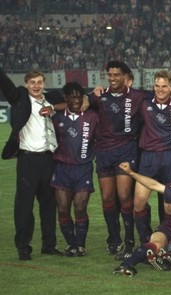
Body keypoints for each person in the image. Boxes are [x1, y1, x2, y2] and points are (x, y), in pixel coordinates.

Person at [1, 67, 64, 260]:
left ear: (44, 84)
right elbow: (5, 83)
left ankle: (49, 245)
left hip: (48, 159)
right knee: (24, 206)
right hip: (28, 160)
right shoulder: (20, 98)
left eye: (39, 82)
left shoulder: (50, 100)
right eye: (32, 82)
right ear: (26, 84)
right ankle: (23, 248)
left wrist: (53, 107)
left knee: (48, 205)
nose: (36, 86)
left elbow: (71, 100)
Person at [89, 61, 150, 256]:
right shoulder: (99, 97)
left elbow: (161, 97)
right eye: (110, 75)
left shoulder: (137, 96)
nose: (113, 78)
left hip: (125, 150)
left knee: (125, 197)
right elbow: (78, 103)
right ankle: (113, 239)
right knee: (107, 198)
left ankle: (129, 240)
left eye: (117, 75)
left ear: (125, 77)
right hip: (104, 152)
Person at [132, 70, 171, 245]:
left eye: (164, 86)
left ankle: (165, 237)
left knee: (170, 206)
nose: (160, 90)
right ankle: (145, 240)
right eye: (157, 86)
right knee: (139, 201)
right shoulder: (144, 104)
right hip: (149, 157)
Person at [50, 82, 99, 257]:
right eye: (73, 96)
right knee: (63, 209)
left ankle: (80, 245)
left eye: (79, 96)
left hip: (83, 169)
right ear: (66, 98)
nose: (76, 100)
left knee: (80, 208)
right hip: (62, 168)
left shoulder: (92, 117)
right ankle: (71, 244)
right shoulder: (56, 118)